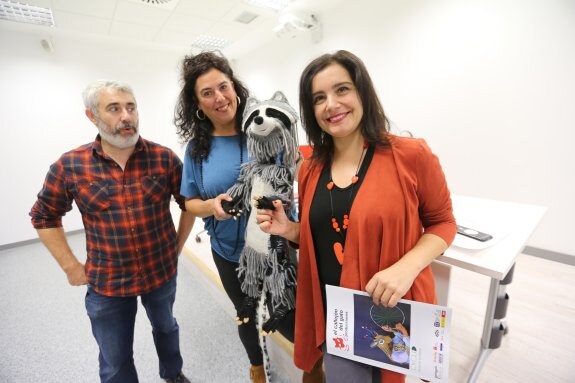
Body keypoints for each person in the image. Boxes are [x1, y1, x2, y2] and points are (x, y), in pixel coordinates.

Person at [255, 50, 457, 383]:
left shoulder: (410, 155)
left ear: (362, 92)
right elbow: (325, 236)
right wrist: (291, 229)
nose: (331, 104)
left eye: (342, 90)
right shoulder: (310, 170)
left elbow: (443, 222)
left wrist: (406, 268)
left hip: (391, 310)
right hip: (338, 317)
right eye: (318, 98)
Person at [29, 80, 195, 383]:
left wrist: (178, 245)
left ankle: (173, 375)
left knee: (167, 328)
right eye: (114, 108)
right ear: (92, 116)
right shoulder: (70, 165)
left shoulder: (164, 157)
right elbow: (43, 215)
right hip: (107, 281)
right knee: (114, 357)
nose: (126, 116)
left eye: (130, 107)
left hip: (160, 272)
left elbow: (190, 204)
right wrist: (70, 267)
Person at [174, 51, 319, 383]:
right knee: (246, 316)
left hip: (277, 248)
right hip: (228, 252)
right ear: (196, 103)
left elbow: (302, 173)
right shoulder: (197, 149)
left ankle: (313, 369)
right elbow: (189, 202)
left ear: (234, 86)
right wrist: (211, 206)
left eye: (223, 86)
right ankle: (257, 368)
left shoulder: (266, 126)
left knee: (294, 319)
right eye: (207, 93)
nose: (219, 98)